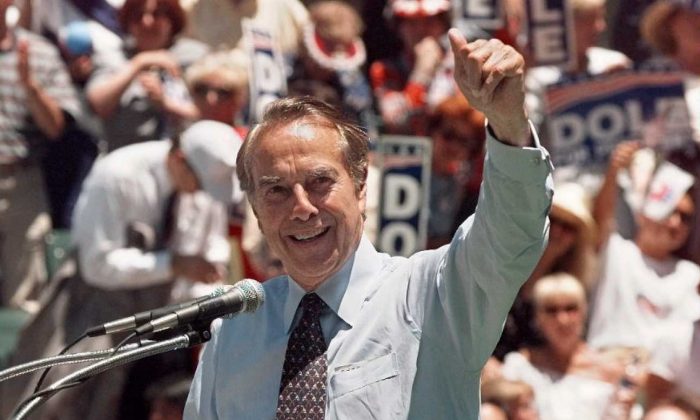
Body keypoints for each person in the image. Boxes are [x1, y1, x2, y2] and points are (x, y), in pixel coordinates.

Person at [185, 29, 553, 419]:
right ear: (256, 210)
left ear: (360, 188)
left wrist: (508, 124)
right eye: (276, 191)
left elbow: (511, 234)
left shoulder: (432, 295)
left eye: (319, 182)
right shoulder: (234, 333)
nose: (302, 208)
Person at [0, 120, 243, 420]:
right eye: (199, 183)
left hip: (168, 317)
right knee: (64, 397)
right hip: (98, 304)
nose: (202, 194)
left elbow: (209, 250)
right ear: (179, 161)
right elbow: (97, 265)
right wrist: (174, 264)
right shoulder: (118, 174)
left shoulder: (203, 189)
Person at [0, 0, 81, 310]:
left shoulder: (38, 53)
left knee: (25, 297)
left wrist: (29, 85)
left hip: (21, 183)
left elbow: (56, 127)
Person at [587, 141, 700, 352]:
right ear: (643, 213)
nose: (675, 223)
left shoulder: (692, 275)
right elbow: (599, 219)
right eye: (670, 211)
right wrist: (613, 172)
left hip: (661, 378)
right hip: (608, 367)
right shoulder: (616, 253)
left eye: (685, 217)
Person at [501, 273, 639, 420]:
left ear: (584, 311)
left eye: (571, 308)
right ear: (537, 317)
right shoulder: (520, 364)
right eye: (551, 310)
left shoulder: (610, 369)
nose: (563, 320)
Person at [86, 0, 203, 151]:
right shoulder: (114, 57)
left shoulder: (195, 56)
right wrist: (139, 63)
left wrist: (167, 103)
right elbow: (99, 105)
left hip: (186, 156)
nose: (147, 22)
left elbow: (216, 111)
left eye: (157, 14)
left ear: (172, 20)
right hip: (127, 157)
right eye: (137, 16)